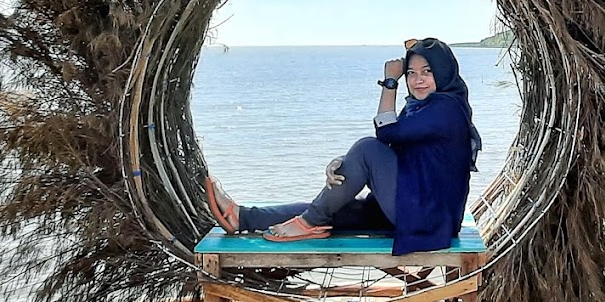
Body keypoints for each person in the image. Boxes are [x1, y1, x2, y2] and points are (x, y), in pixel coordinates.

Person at [205, 37, 482, 255]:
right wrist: (346, 161)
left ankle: (307, 224)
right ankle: (243, 218)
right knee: (331, 208)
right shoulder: (421, 108)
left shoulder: (446, 108)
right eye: (410, 72)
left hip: (428, 219)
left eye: (427, 71)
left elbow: (385, 134)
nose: (417, 79)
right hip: (414, 207)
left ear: (444, 73)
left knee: (365, 148)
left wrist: (389, 82)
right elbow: (399, 147)